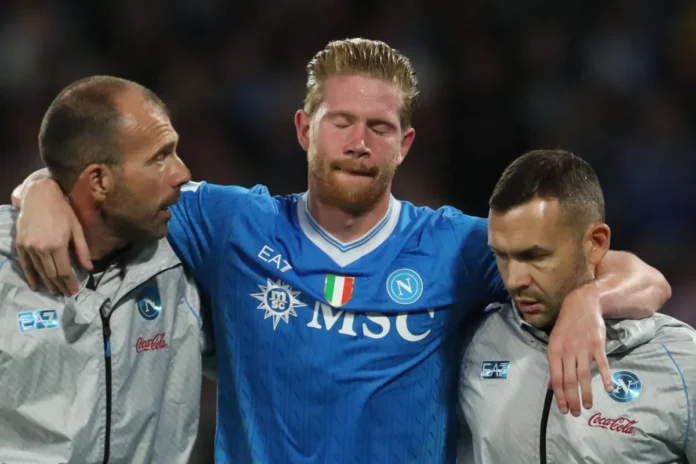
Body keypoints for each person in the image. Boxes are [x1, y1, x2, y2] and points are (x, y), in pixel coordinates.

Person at [13, 39, 670, 463]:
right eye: (342, 123)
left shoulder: (455, 247)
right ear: (305, 129)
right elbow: (110, 186)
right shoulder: (231, 224)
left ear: (404, 145)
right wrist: (40, 189)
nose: (359, 143)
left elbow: (643, 277)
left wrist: (587, 297)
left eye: (380, 127)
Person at [0, 76, 207, 463]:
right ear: (98, 180)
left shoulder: (188, 255)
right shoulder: (5, 266)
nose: (182, 173)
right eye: (159, 157)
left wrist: (38, 185)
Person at [458, 149, 694, 463]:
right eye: (501, 256)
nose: (513, 280)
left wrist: (588, 299)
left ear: (596, 243)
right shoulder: (473, 344)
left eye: (535, 256)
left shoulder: (681, 360)